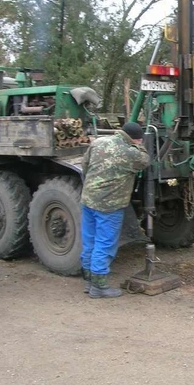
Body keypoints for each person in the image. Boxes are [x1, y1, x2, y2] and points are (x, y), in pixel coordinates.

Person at [80, 122, 150, 298]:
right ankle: (99, 287)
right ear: (136, 139)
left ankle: (89, 282)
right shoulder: (131, 153)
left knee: (89, 241)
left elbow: (85, 166)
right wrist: (140, 146)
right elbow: (146, 161)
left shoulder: (98, 142)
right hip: (109, 206)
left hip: (88, 200)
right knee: (105, 244)